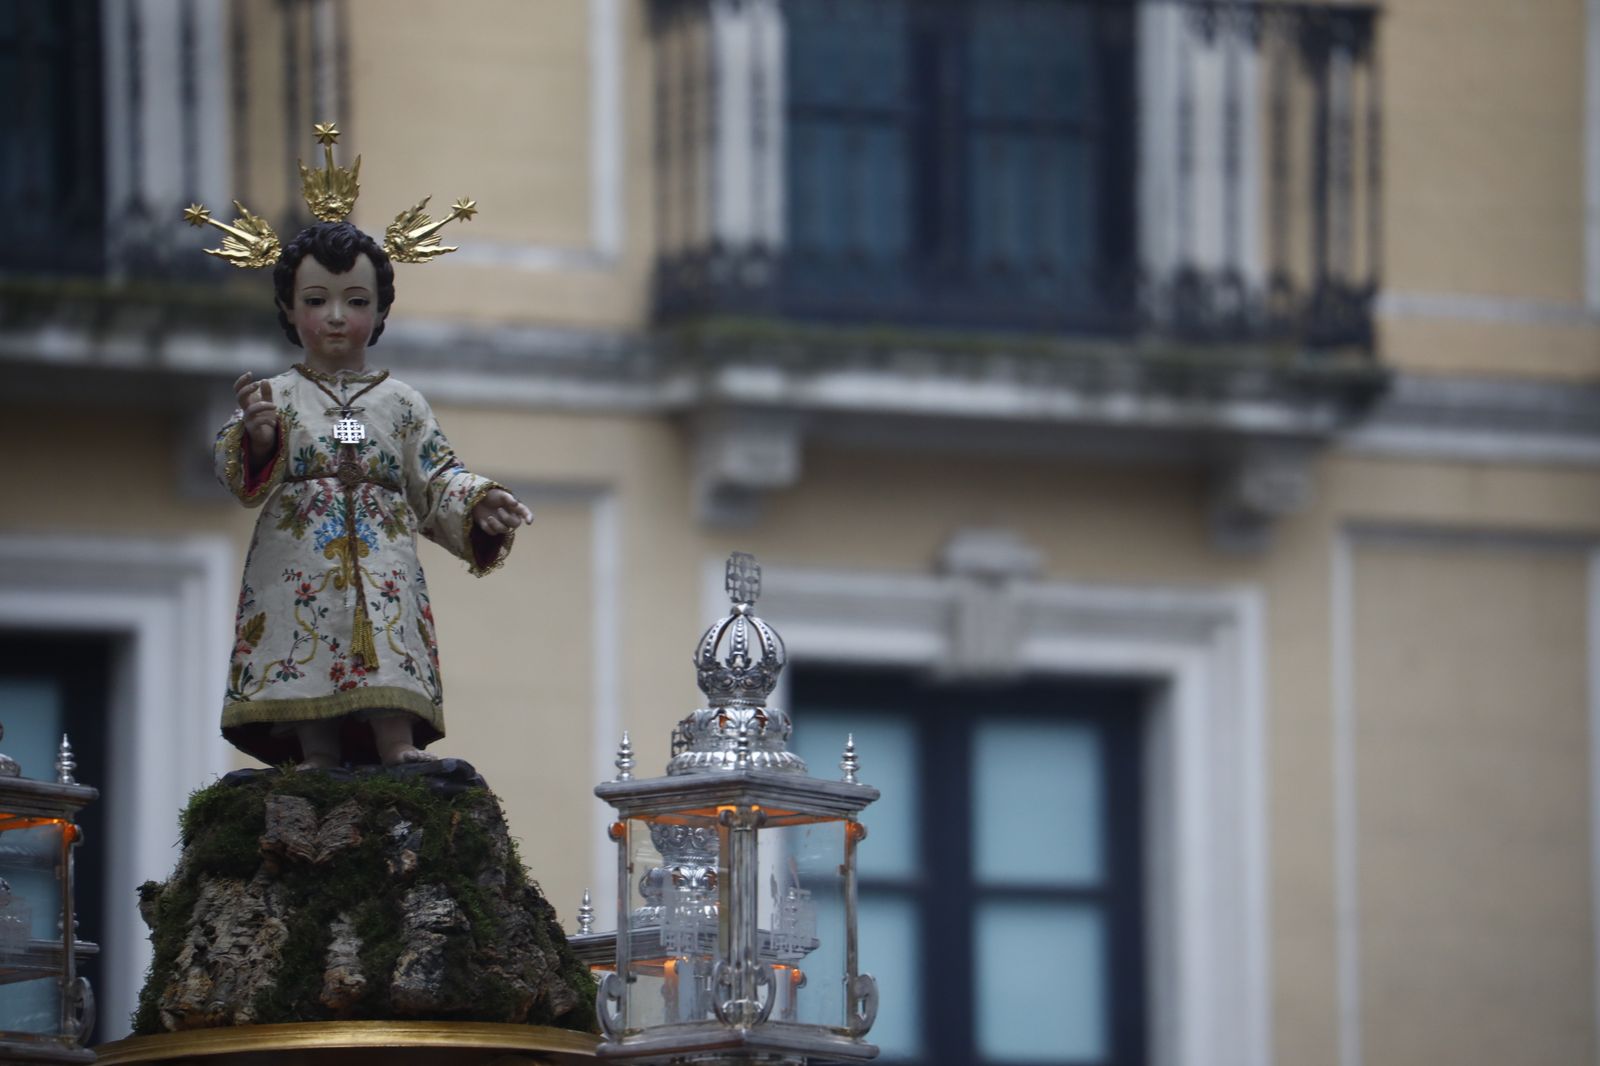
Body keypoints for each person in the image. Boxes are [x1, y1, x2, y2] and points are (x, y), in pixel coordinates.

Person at [212, 219, 531, 768]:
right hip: (299, 553)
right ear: (289, 308)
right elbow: (237, 466)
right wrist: (259, 439)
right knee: (302, 632)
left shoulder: (402, 403)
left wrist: (480, 501)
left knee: (388, 632)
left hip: (383, 552)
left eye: (355, 301)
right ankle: (314, 750)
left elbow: (434, 476)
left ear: (381, 311)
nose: (336, 316)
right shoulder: (277, 395)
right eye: (317, 300)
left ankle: (396, 743)